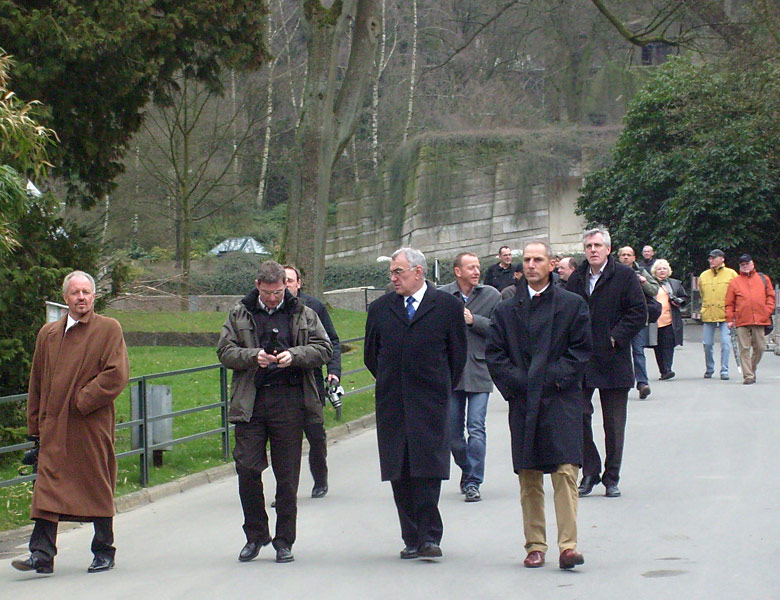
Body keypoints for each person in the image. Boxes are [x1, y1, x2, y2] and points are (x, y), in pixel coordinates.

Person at [12, 271, 129, 575]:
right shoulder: (48, 334)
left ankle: (104, 550)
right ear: (65, 298)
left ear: (94, 296)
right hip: (54, 427)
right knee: (47, 487)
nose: (81, 298)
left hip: (90, 425)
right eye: (75, 292)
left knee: (96, 484)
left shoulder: (108, 329)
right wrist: (35, 425)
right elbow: (37, 381)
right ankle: (41, 552)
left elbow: (116, 374)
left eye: (86, 292)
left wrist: (82, 400)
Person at [486, 241, 592, 570]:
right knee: (529, 474)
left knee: (565, 470)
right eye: (527, 259)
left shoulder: (573, 305)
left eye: (538, 259)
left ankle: (568, 546)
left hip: (561, 398)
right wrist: (520, 384)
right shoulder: (505, 310)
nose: (531, 264)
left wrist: (551, 380)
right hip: (523, 401)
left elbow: (581, 351)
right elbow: (495, 355)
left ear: (551, 264)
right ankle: (535, 544)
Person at [217, 261, 332, 564]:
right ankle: (255, 535)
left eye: (278, 292)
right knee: (247, 469)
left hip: (290, 401)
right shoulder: (239, 313)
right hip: (251, 402)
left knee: (287, 475)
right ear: (257, 285)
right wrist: (254, 356)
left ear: (286, 285)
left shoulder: (304, 313)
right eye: (267, 292)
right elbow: (225, 352)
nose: (272, 298)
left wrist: (292, 356)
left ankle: (284, 540)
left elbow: (324, 348)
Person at [364, 248, 467, 560]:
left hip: (430, 400)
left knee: (428, 468)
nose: (393, 278)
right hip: (393, 401)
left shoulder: (446, 306)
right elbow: (371, 355)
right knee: (399, 469)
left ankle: (430, 536)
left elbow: (457, 355)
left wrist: (438, 384)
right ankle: (411, 537)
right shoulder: (381, 309)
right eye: (392, 272)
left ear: (419, 272)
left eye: (399, 272)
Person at [566, 229, 645, 498]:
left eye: (598, 245)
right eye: (588, 246)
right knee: (577, 415)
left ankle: (612, 477)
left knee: (613, 423)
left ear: (608, 249)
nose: (593, 250)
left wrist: (615, 337)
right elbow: (567, 312)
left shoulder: (623, 276)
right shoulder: (576, 278)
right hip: (583, 360)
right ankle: (590, 471)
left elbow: (638, 312)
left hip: (613, 359)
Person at [439, 253, 501, 502]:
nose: (476, 271)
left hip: (479, 370)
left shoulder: (491, 295)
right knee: (453, 435)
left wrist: (474, 320)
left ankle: (474, 481)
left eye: (478, 267)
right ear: (457, 271)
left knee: (476, 427)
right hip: (451, 372)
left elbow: (500, 329)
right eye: (471, 267)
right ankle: (467, 468)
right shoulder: (443, 296)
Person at [284, 265, 341, 498]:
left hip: (311, 381)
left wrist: (334, 371)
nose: (286, 284)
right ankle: (286, 490)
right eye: (282, 280)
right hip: (283, 384)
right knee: (286, 439)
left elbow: (332, 341)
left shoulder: (314, 307)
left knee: (315, 435)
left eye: (290, 280)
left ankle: (320, 479)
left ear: (299, 283)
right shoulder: (270, 309)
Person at [725, 255, 775, 385]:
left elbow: (771, 297)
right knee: (744, 348)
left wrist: (767, 311)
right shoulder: (735, 282)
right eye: (742, 264)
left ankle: (751, 369)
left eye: (747, 263)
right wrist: (730, 319)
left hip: (760, 319)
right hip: (742, 320)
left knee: (760, 347)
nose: (745, 266)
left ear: (752, 264)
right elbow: (729, 303)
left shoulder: (763, 279)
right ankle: (748, 376)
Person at [617, 246, 659, 400]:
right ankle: (620, 384)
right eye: (623, 255)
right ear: (619, 257)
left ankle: (642, 384)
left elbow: (654, 290)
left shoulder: (641, 272)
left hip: (637, 319)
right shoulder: (613, 273)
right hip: (618, 320)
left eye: (629, 255)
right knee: (618, 352)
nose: (626, 257)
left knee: (638, 351)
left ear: (634, 257)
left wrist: (644, 282)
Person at [699, 249, 738, 380]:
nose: (711, 260)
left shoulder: (731, 274)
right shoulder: (704, 275)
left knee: (725, 343)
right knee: (707, 343)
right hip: (708, 313)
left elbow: (736, 294)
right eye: (710, 258)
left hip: (725, 314)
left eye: (713, 258)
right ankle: (709, 368)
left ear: (721, 259)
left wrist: (734, 313)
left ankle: (724, 370)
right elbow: (702, 293)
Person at [650, 259, 689, 381]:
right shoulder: (651, 284)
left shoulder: (675, 283)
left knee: (668, 345)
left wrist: (677, 302)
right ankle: (662, 370)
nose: (662, 271)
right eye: (659, 269)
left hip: (670, 320)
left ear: (668, 271)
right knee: (658, 346)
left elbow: (684, 298)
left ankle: (667, 369)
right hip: (655, 321)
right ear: (655, 271)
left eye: (664, 269)